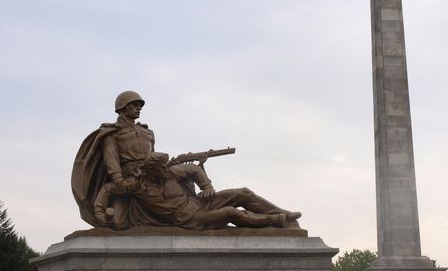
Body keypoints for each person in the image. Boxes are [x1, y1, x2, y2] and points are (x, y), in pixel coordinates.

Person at [72, 91, 301, 231]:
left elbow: (179, 166)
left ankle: (284, 216)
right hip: (134, 180)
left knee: (243, 192)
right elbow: (112, 162)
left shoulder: (147, 133)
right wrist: (120, 181)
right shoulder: (111, 133)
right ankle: (275, 219)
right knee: (118, 224)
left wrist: (205, 184)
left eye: (140, 105)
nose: (139, 108)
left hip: (158, 175)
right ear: (122, 108)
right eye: (134, 105)